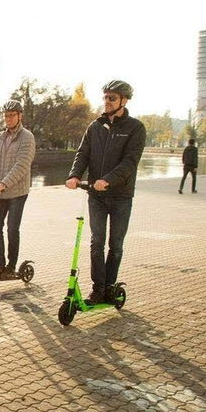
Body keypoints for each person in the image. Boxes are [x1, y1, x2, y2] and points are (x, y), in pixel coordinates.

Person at [65, 80, 146, 305]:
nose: (107, 102)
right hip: (97, 196)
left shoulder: (135, 128)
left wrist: (107, 180)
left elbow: (130, 162)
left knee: (116, 244)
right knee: (96, 242)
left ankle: (110, 287)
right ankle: (98, 289)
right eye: (105, 97)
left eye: (112, 98)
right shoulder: (95, 127)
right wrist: (74, 175)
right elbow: (83, 153)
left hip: (121, 196)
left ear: (124, 100)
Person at [0, 99, 36, 277]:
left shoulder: (27, 137)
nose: (9, 119)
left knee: (12, 228)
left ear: (19, 116)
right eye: (6, 116)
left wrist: (4, 184)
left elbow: (22, 165)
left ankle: (11, 266)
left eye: (12, 115)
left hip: (17, 192)